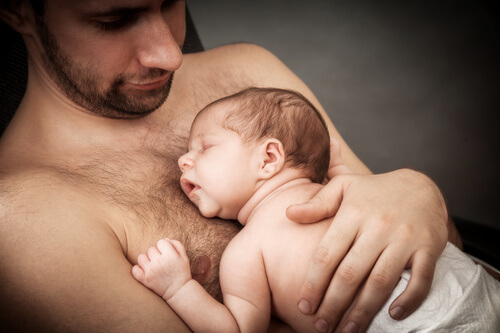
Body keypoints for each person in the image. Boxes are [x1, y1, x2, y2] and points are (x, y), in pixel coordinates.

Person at [0, 1, 461, 332]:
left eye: (171, 2)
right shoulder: (25, 219)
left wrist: (420, 195)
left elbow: (433, 252)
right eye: (114, 19)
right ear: (17, 8)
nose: (169, 55)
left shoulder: (245, 70)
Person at [133, 87, 500, 333]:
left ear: (269, 159)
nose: (184, 160)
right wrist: (339, 170)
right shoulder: (337, 189)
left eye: (204, 147)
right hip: (471, 284)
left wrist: (178, 287)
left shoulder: (248, 251)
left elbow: (238, 329)